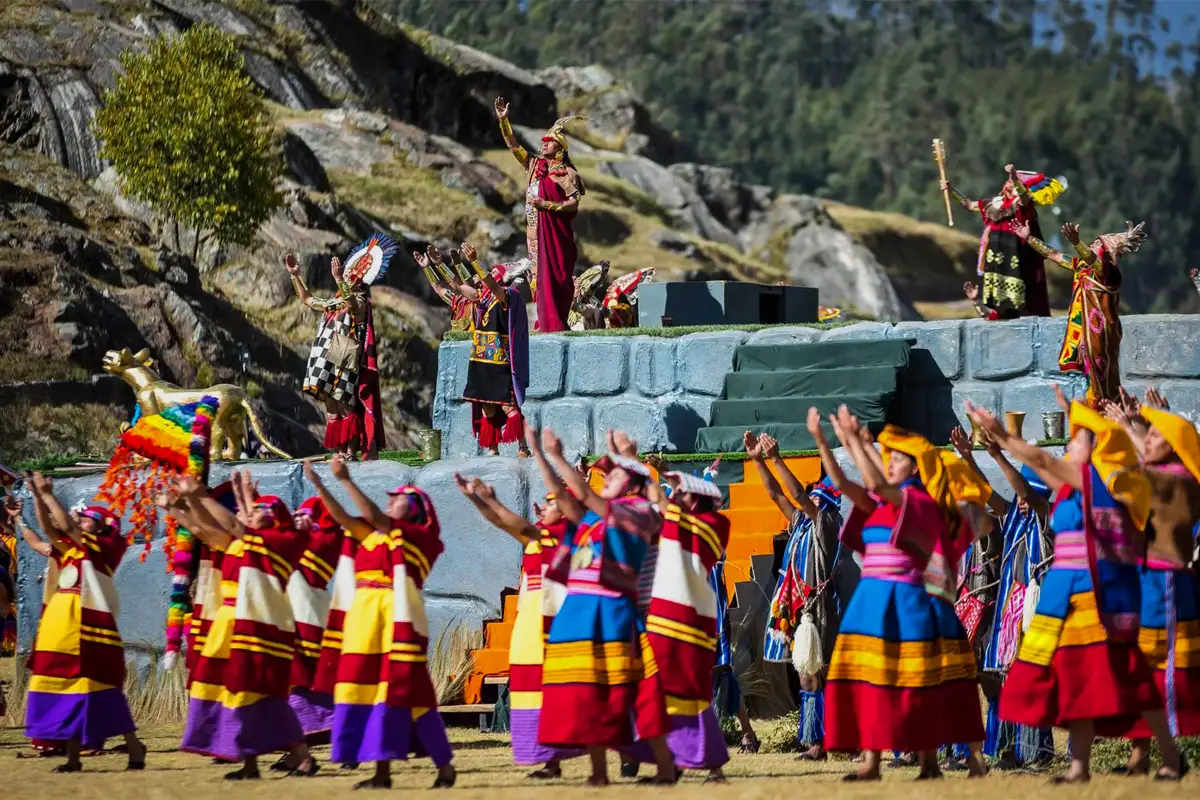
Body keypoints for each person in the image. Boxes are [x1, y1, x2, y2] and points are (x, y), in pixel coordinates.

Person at [968, 391, 1186, 782]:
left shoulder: (1108, 481)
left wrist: (1002, 435)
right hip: (1068, 595)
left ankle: (1169, 755)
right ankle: (1080, 767)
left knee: (1131, 678)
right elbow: (1041, 473)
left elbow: (1041, 459)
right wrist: (1074, 414)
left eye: (1076, 440)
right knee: (1077, 678)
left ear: (1098, 445)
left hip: (1099, 597)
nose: (1068, 446)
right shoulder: (1073, 486)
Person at [812, 409, 981, 781]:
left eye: (899, 458)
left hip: (907, 602)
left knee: (912, 681)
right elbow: (842, 481)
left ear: (917, 467)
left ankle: (930, 762)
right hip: (870, 602)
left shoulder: (917, 502)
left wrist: (856, 441)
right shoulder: (879, 503)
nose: (890, 463)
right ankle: (871, 763)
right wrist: (824, 441)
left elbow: (873, 476)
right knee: (872, 681)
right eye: (888, 457)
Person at [524, 425, 674, 786]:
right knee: (584, 693)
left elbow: (587, 497)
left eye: (615, 473)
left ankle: (667, 768)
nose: (604, 476)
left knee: (634, 693)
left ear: (635, 485)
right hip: (578, 610)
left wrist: (559, 456)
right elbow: (563, 495)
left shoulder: (641, 513)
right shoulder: (594, 518)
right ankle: (598, 774)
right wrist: (541, 455)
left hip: (614, 611)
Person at [303, 458, 457, 790]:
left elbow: (374, 516)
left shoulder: (418, 537)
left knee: (408, 694)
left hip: (398, 619)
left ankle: (444, 766)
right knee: (367, 691)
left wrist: (345, 480)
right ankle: (381, 773)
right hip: (364, 620)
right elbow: (343, 518)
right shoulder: (375, 536)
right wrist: (318, 485)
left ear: (414, 508)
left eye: (396, 497)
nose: (389, 500)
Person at [173, 471, 317, 779]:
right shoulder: (243, 545)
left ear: (275, 518)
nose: (247, 515)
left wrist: (200, 496)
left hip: (262, 632)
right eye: (248, 510)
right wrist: (178, 505)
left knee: (263, 697)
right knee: (237, 695)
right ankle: (249, 763)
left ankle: (303, 756)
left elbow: (233, 524)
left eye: (256, 511)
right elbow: (205, 531)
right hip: (234, 629)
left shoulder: (282, 542)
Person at [1097, 395, 1200, 773]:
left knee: (1166, 669)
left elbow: (1129, 476)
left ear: (1173, 445)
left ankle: (1173, 759)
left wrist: (1119, 430)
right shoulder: (1162, 472)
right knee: (1141, 668)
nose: (1149, 440)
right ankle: (1140, 755)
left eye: (1157, 435)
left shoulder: (1180, 479)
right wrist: (1131, 424)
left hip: (1168, 583)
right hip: (1145, 579)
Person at [455, 477, 580, 778]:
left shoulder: (566, 535)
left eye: (551, 504)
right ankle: (547, 758)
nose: (543, 508)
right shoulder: (538, 539)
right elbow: (500, 522)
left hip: (553, 616)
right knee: (530, 686)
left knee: (552, 688)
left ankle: (567, 757)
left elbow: (514, 523)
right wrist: (477, 499)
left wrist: (492, 499)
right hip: (529, 618)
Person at [22, 474, 147, 772]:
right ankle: (74, 758)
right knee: (64, 686)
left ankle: (133, 746)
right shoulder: (74, 548)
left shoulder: (108, 545)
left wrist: (48, 493)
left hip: (91, 625)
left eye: (86, 517)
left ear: (102, 526)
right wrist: (39, 498)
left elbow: (64, 526)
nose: (79, 518)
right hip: (61, 623)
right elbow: (50, 531)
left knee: (96, 687)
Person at [627, 470, 732, 780]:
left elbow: (667, 509)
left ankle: (713, 767)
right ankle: (668, 765)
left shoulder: (715, 525)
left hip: (692, 621)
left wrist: (640, 468)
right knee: (657, 692)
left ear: (699, 498)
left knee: (692, 692)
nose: (675, 497)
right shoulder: (675, 523)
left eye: (682, 493)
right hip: (662, 616)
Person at [746, 431, 843, 760]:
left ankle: (828, 741)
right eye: (813, 496)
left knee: (817, 672)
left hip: (816, 609)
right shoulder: (802, 522)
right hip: (796, 608)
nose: (811, 499)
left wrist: (776, 458)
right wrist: (758, 461)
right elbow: (777, 494)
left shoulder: (826, 523)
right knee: (807, 673)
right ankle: (818, 741)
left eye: (817, 497)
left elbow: (798, 495)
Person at [964, 433, 1056, 768]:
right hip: (1011, 607)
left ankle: (1038, 751)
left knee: (1031, 678)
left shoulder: (1046, 518)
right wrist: (969, 458)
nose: (1019, 499)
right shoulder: (1015, 518)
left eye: (1025, 493)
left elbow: (1024, 492)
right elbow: (987, 491)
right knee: (1008, 678)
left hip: (1035, 608)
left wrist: (999, 455)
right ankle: (1011, 749)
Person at [1014, 220, 1145, 408]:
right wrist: (1029, 239)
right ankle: (1096, 417)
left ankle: (1109, 415)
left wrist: (1076, 242)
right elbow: (1055, 255)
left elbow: (1094, 261)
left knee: (1103, 379)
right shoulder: (1082, 266)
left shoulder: (1109, 272)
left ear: (1107, 251)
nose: (1093, 244)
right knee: (1089, 379)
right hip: (1084, 335)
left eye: (1098, 243)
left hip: (1101, 336)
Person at [289, 235, 394, 460]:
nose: (346, 275)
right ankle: (338, 451)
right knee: (331, 410)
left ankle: (349, 452)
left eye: (350, 275)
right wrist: (295, 276)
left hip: (345, 359)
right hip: (325, 359)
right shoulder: (334, 301)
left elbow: (351, 303)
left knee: (346, 407)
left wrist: (338, 279)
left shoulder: (361, 302)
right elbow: (307, 299)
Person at [494, 96, 585, 333]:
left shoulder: (567, 173)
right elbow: (514, 147)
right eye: (543, 141)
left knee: (558, 279)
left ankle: (556, 322)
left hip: (557, 236)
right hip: (535, 233)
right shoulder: (534, 166)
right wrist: (504, 121)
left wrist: (545, 204)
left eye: (550, 142)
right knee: (537, 279)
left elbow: (573, 204)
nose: (544, 144)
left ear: (561, 149)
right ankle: (543, 321)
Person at [270, 496, 344, 767]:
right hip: (290, 620)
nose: (298, 519)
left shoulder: (324, 543)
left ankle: (345, 741)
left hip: (308, 620)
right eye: (296, 514)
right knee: (293, 686)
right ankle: (297, 752)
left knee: (305, 682)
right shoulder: (294, 541)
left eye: (305, 515)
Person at [942, 164, 1063, 318]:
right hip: (997, 261)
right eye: (1009, 181)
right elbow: (969, 205)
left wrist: (1014, 178)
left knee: (1022, 303)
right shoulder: (993, 203)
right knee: (998, 305)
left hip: (1017, 258)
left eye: (1013, 182)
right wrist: (951, 190)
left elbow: (1024, 197)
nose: (1008, 183)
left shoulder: (1023, 205)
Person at [448, 243, 531, 456]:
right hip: (480, 359)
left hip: (499, 359)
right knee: (486, 406)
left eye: (493, 274)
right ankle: (492, 448)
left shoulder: (507, 296)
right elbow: (459, 286)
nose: (489, 277)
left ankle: (523, 446)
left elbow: (491, 285)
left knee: (509, 406)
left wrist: (475, 261)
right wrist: (441, 265)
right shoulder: (483, 298)